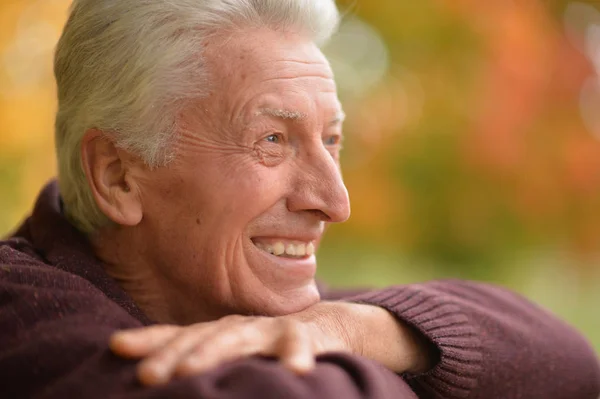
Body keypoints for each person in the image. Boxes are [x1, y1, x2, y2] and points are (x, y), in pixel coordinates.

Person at [0, 0, 599, 398]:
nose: (335, 202)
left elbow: (570, 363)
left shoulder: (244, 307)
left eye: (331, 140)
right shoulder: (19, 311)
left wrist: (351, 330)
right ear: (118, 176)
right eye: (272, 140)